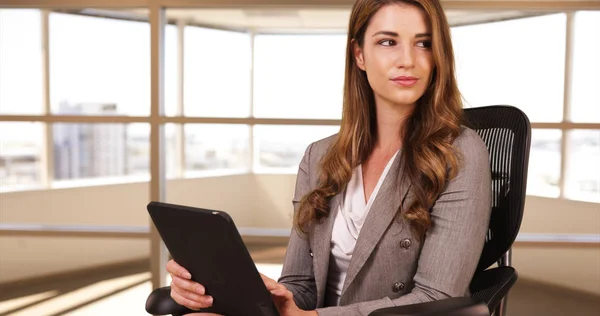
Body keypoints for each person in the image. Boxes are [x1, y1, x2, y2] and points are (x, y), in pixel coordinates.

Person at [166, 0, 492, 315]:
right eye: (388, 41)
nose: (408, 59)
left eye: (424, 43)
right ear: (359, 54)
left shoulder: (459, 153)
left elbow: (436, 297)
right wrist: (224, 290)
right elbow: (300, 285)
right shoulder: (320, 156)